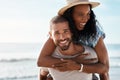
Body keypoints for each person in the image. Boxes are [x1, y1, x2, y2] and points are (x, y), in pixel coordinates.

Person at [37, 0, 109, 80]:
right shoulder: (62, 30)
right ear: (70, 14)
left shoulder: (93, 32)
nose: (85, 19)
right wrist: (74, 60)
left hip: (88, 69)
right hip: (62, 69)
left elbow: (105, 67)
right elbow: (41, 61)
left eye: (88, 14)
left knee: (103, 75)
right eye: (80, 14)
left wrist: (78, 66)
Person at [40, 15, 100, 80]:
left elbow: (103, 72)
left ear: (72, 32)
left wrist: (79, 66)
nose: (62, 37)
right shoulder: (50, 58)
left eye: (65, 31)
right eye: (57, 33)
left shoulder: (89, 55)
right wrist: (75, 60)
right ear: (51, 35)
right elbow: (42, 73)